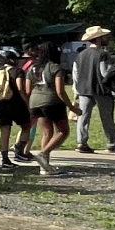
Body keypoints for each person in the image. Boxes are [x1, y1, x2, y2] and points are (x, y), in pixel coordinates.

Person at [21, 41, 78, 175]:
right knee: (63, 131)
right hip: (52, 101)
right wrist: (71, 107)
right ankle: (43, 153)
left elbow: (27, 90)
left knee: (47, 133)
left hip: (35, 102)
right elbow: (60, 91)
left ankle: (44, 167)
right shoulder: (56, 67)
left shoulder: (32, 68)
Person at [72, 25, 115, 153]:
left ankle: (81, 142)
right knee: (107, 118)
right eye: (104, 36)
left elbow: (75, 73)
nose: (106, 38)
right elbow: (104, 72)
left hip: (83, 90)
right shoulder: (102, 54)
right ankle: (112, 143)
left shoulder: (81, 54)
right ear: (98, 38)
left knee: (83, 117)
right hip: (101, 90)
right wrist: (114, 68)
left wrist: (76, 91)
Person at [0, 47, 31, 170]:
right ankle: (19, 150)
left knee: (5, 131)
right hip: (15, 104)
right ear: (12, 60)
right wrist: (27, 102)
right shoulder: (17, 71)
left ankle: (5, 160)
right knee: (26, 126)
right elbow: (20, 88)